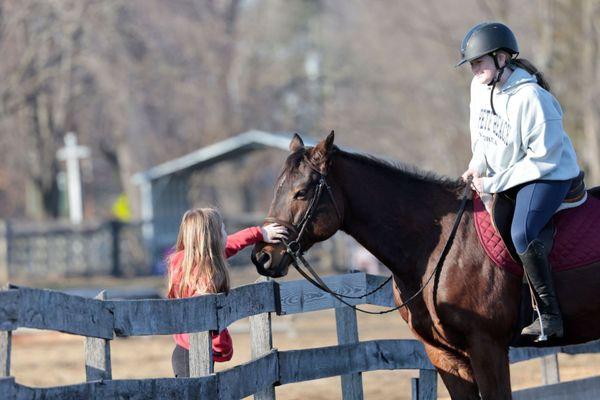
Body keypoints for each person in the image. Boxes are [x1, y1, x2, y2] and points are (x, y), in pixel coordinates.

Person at [457, 22, 585, 341]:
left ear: (502, 58)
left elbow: (542, 159)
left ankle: (550, 318)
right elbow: (483, 136)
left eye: (479, 62)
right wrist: (476, 166)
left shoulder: (533, 98)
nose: (474, 69)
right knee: (497, 224)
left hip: (550, 172)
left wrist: (495, 182)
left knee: (522, 230)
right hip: (513, 172)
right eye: (471, 64)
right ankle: (521, 309)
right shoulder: (480, 87)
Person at [166, 208, 287, 377]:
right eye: (223, 230)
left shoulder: (191, 261)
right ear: (213, 238)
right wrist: (222, 344)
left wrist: (260, 233)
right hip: (192, 352)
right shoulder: (201, 277)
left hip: (190, 350)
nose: (226, 234)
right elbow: (207, 320)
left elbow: (233, 243)